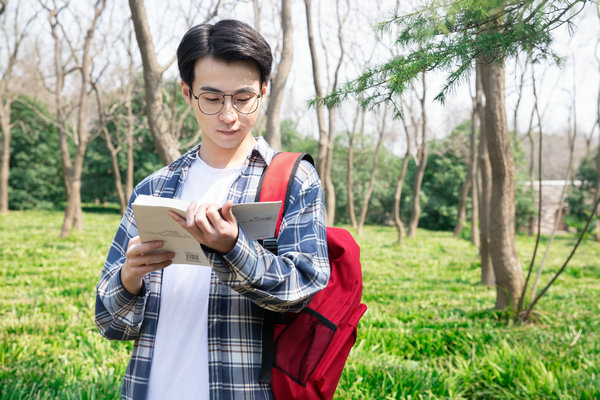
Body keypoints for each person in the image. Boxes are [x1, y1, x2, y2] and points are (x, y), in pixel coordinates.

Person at [95, 19, 330, 400]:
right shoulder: (154, 188)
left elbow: (302, 290)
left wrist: (233, 247)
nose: (228, 115)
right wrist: (128, 279)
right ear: (187, 93)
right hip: (150, 388)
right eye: (212, 97)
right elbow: (110, 323)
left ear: (264, 91)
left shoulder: (294, 180)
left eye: (242, 97)